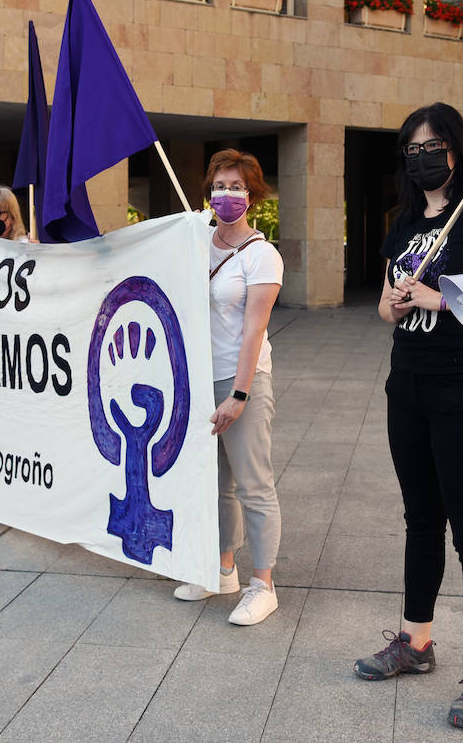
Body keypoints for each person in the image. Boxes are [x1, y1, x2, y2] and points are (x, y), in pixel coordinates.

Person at [354, 103, 463, 730]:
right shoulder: (402, 222)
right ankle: (414, 640)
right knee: (420, 519)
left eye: (434, 144)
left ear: (455, 148)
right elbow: (383, 305)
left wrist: (441, 296)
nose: (423, 156)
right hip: (410, 385)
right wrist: (394, 306)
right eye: (412, 148)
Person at [171, 149, 284, 627]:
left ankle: (264, 584)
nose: (227, 195)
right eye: (220, 186)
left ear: (252, 195)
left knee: (253, 483)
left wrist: (238, 395)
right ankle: (223, 569)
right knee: (216, 483)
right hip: (198, 379)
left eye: (237, 187)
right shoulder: (195, 240)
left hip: (243, 379)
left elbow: (253, 331)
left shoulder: (263, 254)